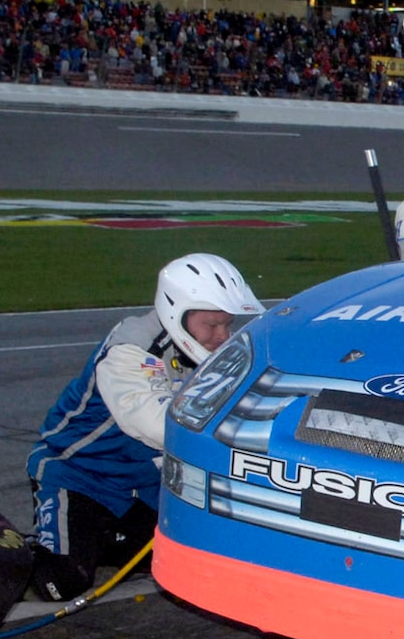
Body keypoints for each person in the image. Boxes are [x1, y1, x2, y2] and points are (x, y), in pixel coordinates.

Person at [26, 254, 264, 601]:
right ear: (176, 312)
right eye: (212, 325)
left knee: (197, 562)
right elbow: (160, 427)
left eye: (227, 324)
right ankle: (23, 549)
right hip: (79, 475)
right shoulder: (131, 348)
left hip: (145, 485)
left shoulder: (214, 351)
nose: (222, 336)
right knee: (61, 583)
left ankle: (104, 538)